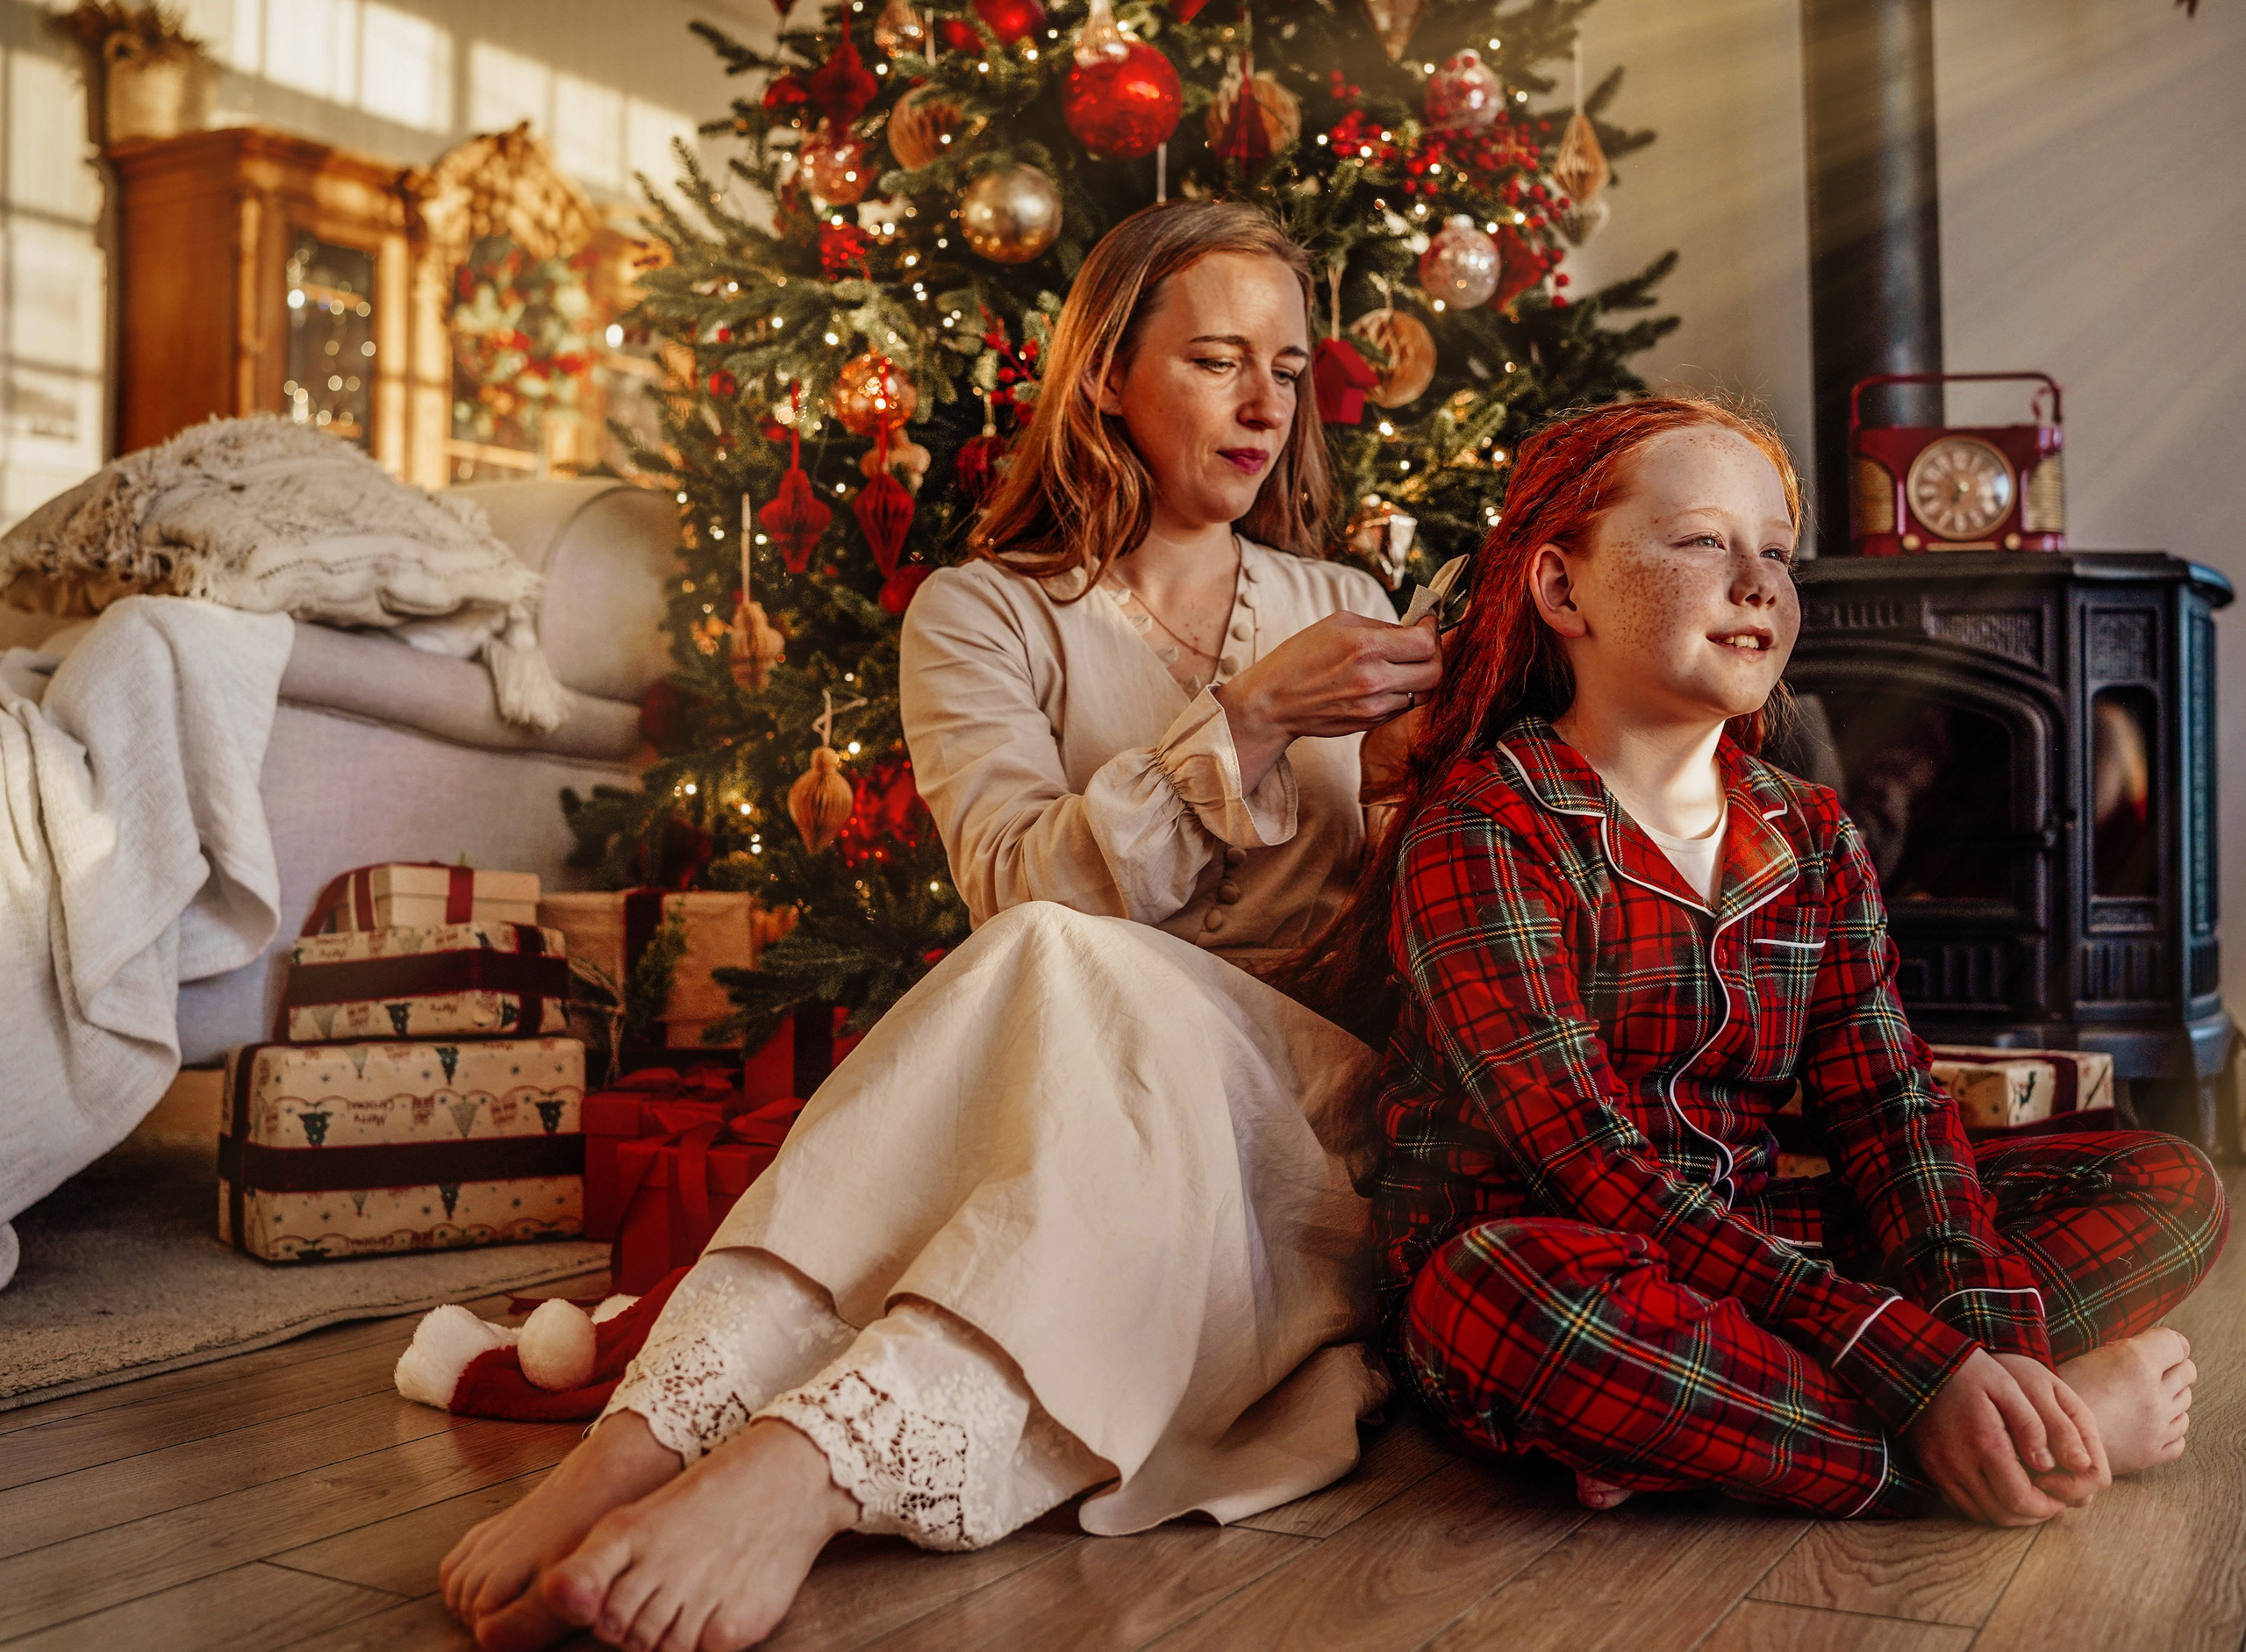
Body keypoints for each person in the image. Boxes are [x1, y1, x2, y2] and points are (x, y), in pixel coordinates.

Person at [438, 199, 1441, 1652]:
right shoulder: (980, 613)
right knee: (1050, 946)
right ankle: (646, 1439)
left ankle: (799, 1473)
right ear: (1105, 373)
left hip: (1291, 1114)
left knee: (1058, 960)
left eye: (1287, 367)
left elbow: (1416, 897)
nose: (1264, 403)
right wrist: (1257, 716)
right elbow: (1019, 885)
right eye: (1219, 358)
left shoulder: (1346, 601)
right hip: (1071, 1068)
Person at [1287, 396, 2226, 1525]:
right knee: (1499, 1298)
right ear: (1559, 589)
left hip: (1755, 1245)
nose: (1758, 581)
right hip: (1567, 1263)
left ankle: (1970, 1418)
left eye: (1776, 551)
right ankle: (1985, 1451)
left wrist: (1979, 1343)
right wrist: (1908, 1361)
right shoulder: (1489, 826)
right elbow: (1583, 1163)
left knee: (2165, 1180)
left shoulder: (1812, 832)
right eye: (1701, 540)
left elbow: (1886, 1109)